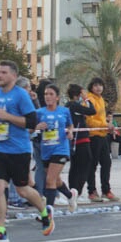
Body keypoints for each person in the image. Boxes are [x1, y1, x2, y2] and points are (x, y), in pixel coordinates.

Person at [0, 60, 53, 242]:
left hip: (19, 150)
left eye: (4, 72)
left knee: (22, 190)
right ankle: (0, 230)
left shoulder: (21, 95)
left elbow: (31, 122)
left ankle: (45, 213)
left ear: (14, 76)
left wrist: (7, 117)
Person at [35, 84, 79, 212]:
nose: (48, 97)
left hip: (61, 149)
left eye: (51, 94)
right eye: (46, 94)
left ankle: (48, 213)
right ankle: (70, 195)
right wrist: (37, 127)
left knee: (50, 180)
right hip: (46, 149)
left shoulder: (64, 111)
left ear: (57, 97)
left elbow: (70, 125)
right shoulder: (39, 112)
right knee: (56, 180)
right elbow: (30, 127)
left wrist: (70, 132)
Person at [84, 77, 117, 201]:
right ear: (91, 87)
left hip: (103, 135)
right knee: (92, 165)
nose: (99, 88)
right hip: (93, 136)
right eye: (96, 85)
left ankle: (106, 190)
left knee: (107, 163)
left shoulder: (101, 99)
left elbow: (102, 118)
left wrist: (108, 125)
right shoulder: (89, 99)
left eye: (100, 85)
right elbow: (90, 121)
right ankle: (92, 191)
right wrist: (105, 125)